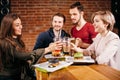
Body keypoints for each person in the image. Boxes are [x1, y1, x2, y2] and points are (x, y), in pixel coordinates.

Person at [0, 13, 62, 80]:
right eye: (17, 25)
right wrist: (48, 49)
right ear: (9, 27)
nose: (21, 27)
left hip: (20, 75)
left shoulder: (18, 40)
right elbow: (24, 56)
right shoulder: (4, 42)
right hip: (9, 77)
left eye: (20, 24)